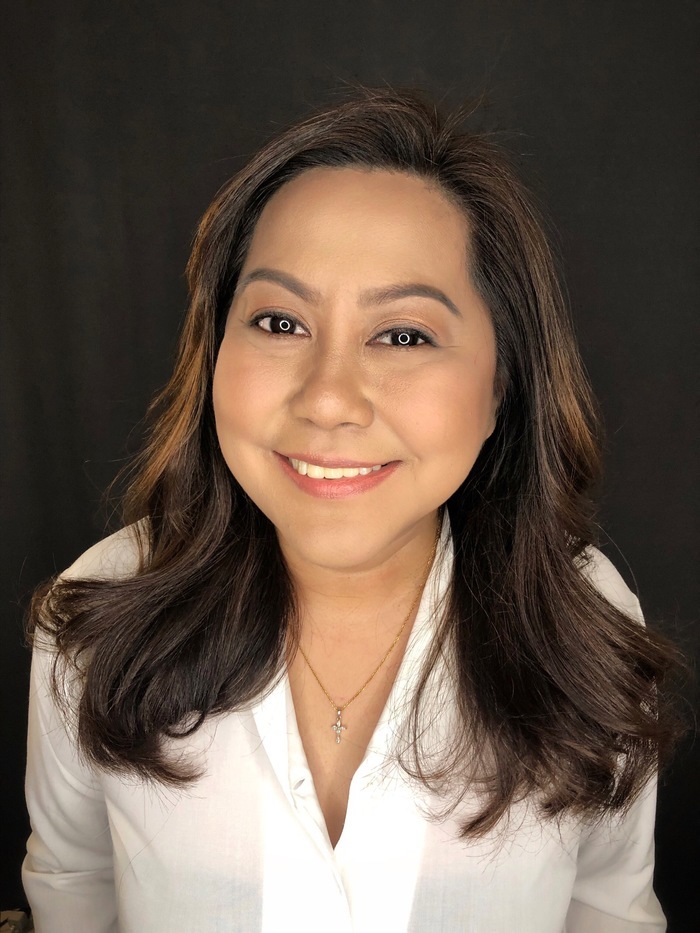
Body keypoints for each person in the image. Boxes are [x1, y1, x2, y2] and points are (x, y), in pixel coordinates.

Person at [23, 88, 681, 932]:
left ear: (501, 384)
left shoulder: (583, 620)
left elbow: (608, 904)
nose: (329, 398)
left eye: (403, 335)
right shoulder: (97, 616)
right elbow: (73, 883)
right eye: (279, 321)